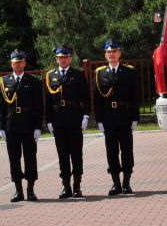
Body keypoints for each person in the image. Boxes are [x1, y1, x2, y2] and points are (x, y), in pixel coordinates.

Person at [0, 49, 43, 202]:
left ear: (24, 63)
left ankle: (30, 190)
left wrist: (38, 127)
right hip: (11, 126)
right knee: (14, 159)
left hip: (29, 125)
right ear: (11, 64)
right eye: (15, 62)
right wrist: (1, 127)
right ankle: (18, 191)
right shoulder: (4, 81)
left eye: (20, 62)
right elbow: (1, 106)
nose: (17, 65)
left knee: (30, 158)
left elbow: (38, 106)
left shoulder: (34, 81)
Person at [94, 39, 140, 195]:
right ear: (105, 55)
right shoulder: (100, 73)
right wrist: (99, 120)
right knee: (111, 152)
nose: (111, 54)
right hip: (108, 118)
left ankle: (126, 182)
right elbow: (97, 99)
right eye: (108, 52)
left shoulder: (129, 72)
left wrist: (135, 118)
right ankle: (116, 183)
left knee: (127, 151)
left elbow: (135, 96)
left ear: (120, 53)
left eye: (114, 51)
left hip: (125, 117)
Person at [44, 45, 90, 198]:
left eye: (65, 57)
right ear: (56, 59)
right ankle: (66, 187)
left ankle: (77, 186)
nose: (63, 60)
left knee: (76, 154)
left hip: (74, 118)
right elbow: (48, 101)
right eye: (60, 57)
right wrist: (48, 120)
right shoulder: (51, 76)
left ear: (70, 58)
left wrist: (86, 116)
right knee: (62, 155)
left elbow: (86, 97)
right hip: (58, 120)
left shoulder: (78, 74)